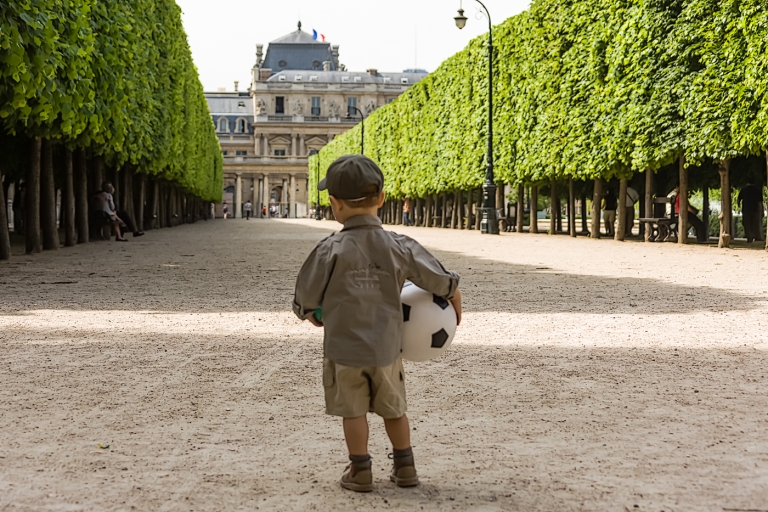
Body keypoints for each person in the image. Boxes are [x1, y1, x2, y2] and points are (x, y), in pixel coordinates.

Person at [293, 155, 462, 493]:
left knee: (353, 412)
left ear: (334, 204)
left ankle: (361, 470)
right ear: (382, 199)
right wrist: (456, 313)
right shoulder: (400, 246)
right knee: (394, 409)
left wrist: (313, 316)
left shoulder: (329, 249)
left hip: (344, 350)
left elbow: (305, 299)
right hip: (387, 348)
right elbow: (444, 282)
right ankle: (405, 465)